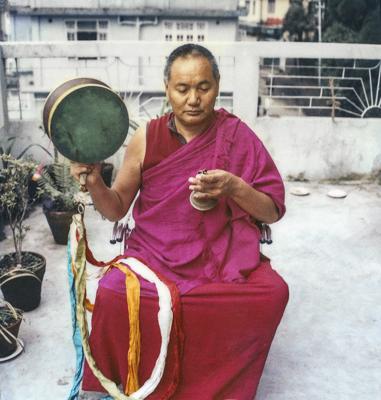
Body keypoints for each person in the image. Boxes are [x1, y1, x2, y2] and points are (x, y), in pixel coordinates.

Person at [71, 43, 289, 400]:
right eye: (182, 88)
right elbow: (116, 209)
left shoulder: (237, 135)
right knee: (111, 293)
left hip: (220, 256)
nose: (193, 99)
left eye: (203, 87)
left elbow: (272, 211)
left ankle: (214, 387)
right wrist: (95, 181)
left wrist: (234, 187)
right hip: (154, 256)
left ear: (217, 86)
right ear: (167, 88)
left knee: (273, 293)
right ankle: (123, 385)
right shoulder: (147, 137)